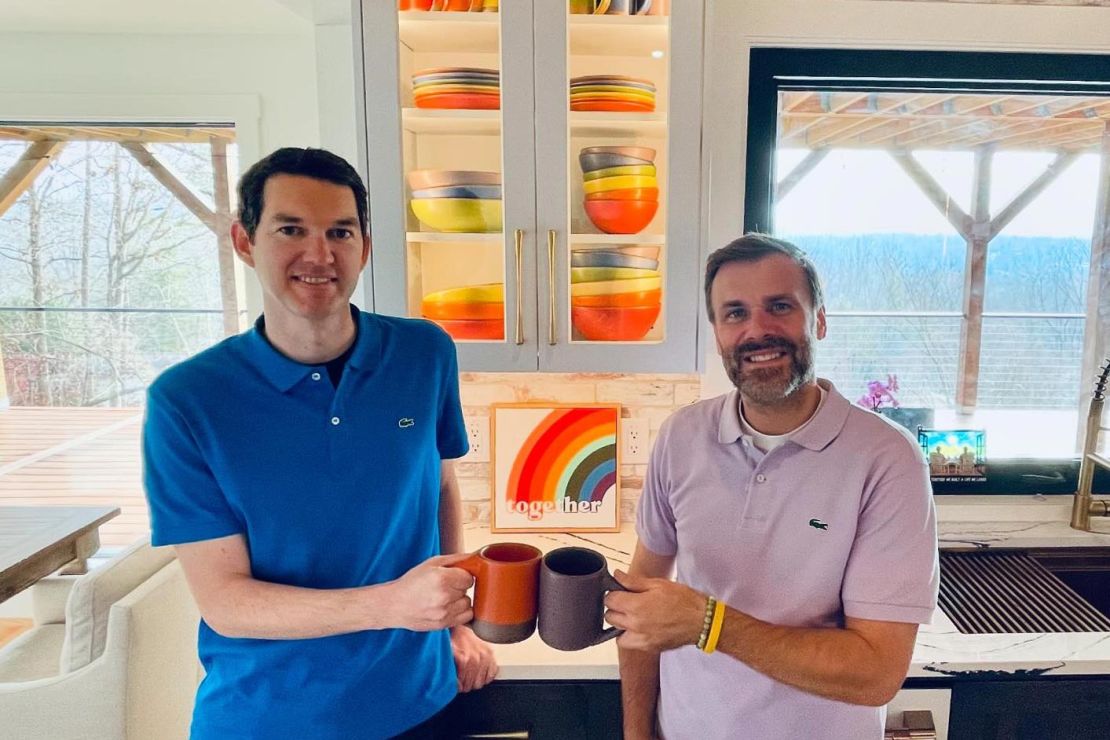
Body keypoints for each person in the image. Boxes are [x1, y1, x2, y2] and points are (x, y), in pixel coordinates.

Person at [142, 147, 497, 740]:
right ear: (244, 241)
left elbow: (437, 484)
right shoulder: (187, 402)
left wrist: (451, 623)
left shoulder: (424, 353)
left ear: (365, 246)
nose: (319, 254)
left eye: (340, 231)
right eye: (291, 229)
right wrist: (392, 605)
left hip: (419, 704)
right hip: (270, 718)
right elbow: (225, 602)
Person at [605, 234, 939, 739]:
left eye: (779, 307)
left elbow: (876, 673)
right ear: (716, 331)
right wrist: (635, 733)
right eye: (734, 313)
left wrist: (708, 623)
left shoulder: (886, 459)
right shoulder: (681, 436)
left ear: (819, 320)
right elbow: (637, 606)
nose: (757, 330)